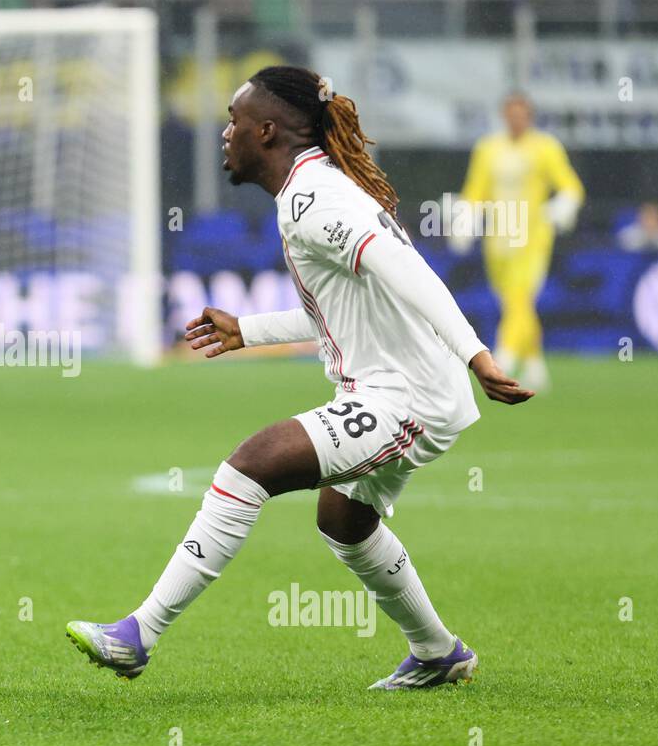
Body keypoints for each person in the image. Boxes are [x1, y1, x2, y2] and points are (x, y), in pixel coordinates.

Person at [67, 66, 533, 690]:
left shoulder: (315, 200)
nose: (224, 134)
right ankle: (437, 652)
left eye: (233, 121)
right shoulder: (308, 192)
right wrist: (247, 331)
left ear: (266, 131)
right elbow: (340, 312)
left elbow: (406, 270)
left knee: (252, 462)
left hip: (408, 396)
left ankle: (138, 634)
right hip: (399, 386)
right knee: (344, 520)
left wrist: (478, 355)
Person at [452, 92, 585, 392]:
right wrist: (465, 220)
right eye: (510, 114)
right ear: (503, 115)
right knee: (511, 300)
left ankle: (504, 359)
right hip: (497, 238)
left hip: (532, 238)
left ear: (529, 116)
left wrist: (561, 206)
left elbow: (570, 186)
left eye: (521, 114)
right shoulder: (488, 148)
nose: (515, 120)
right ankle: (535, 363)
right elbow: (475, 190)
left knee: (520, 299)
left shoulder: (545, 147)